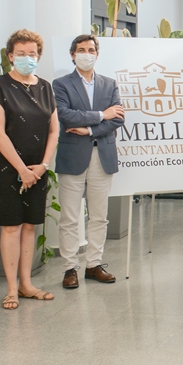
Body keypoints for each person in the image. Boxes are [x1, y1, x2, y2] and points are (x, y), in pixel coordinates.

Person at [0, 29, 59, 310]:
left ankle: (27, 284)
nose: (27, 58)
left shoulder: (45, 87)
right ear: (10, 56)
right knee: (12, 226)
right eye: (21, 54)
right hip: (6, 169)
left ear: (38, 56)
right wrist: (22, 170)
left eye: (33, 54)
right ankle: (12, 289)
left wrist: (42, 167)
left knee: (30, 226)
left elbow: (54, 131)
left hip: (38, 168)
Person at [53, 34, 123, 289]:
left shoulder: (109, 84)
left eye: (91, 49)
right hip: (73, 156)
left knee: (99, 216)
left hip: (101, 155)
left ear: (97, 53)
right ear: (72, 54)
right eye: (81, 49)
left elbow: (118, 119)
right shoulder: (60, 84)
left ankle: (94, 264)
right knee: (70, 217)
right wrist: (100, 115)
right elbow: (65, 115)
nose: (86, 53)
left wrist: (90, 130)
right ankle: (70, 267)